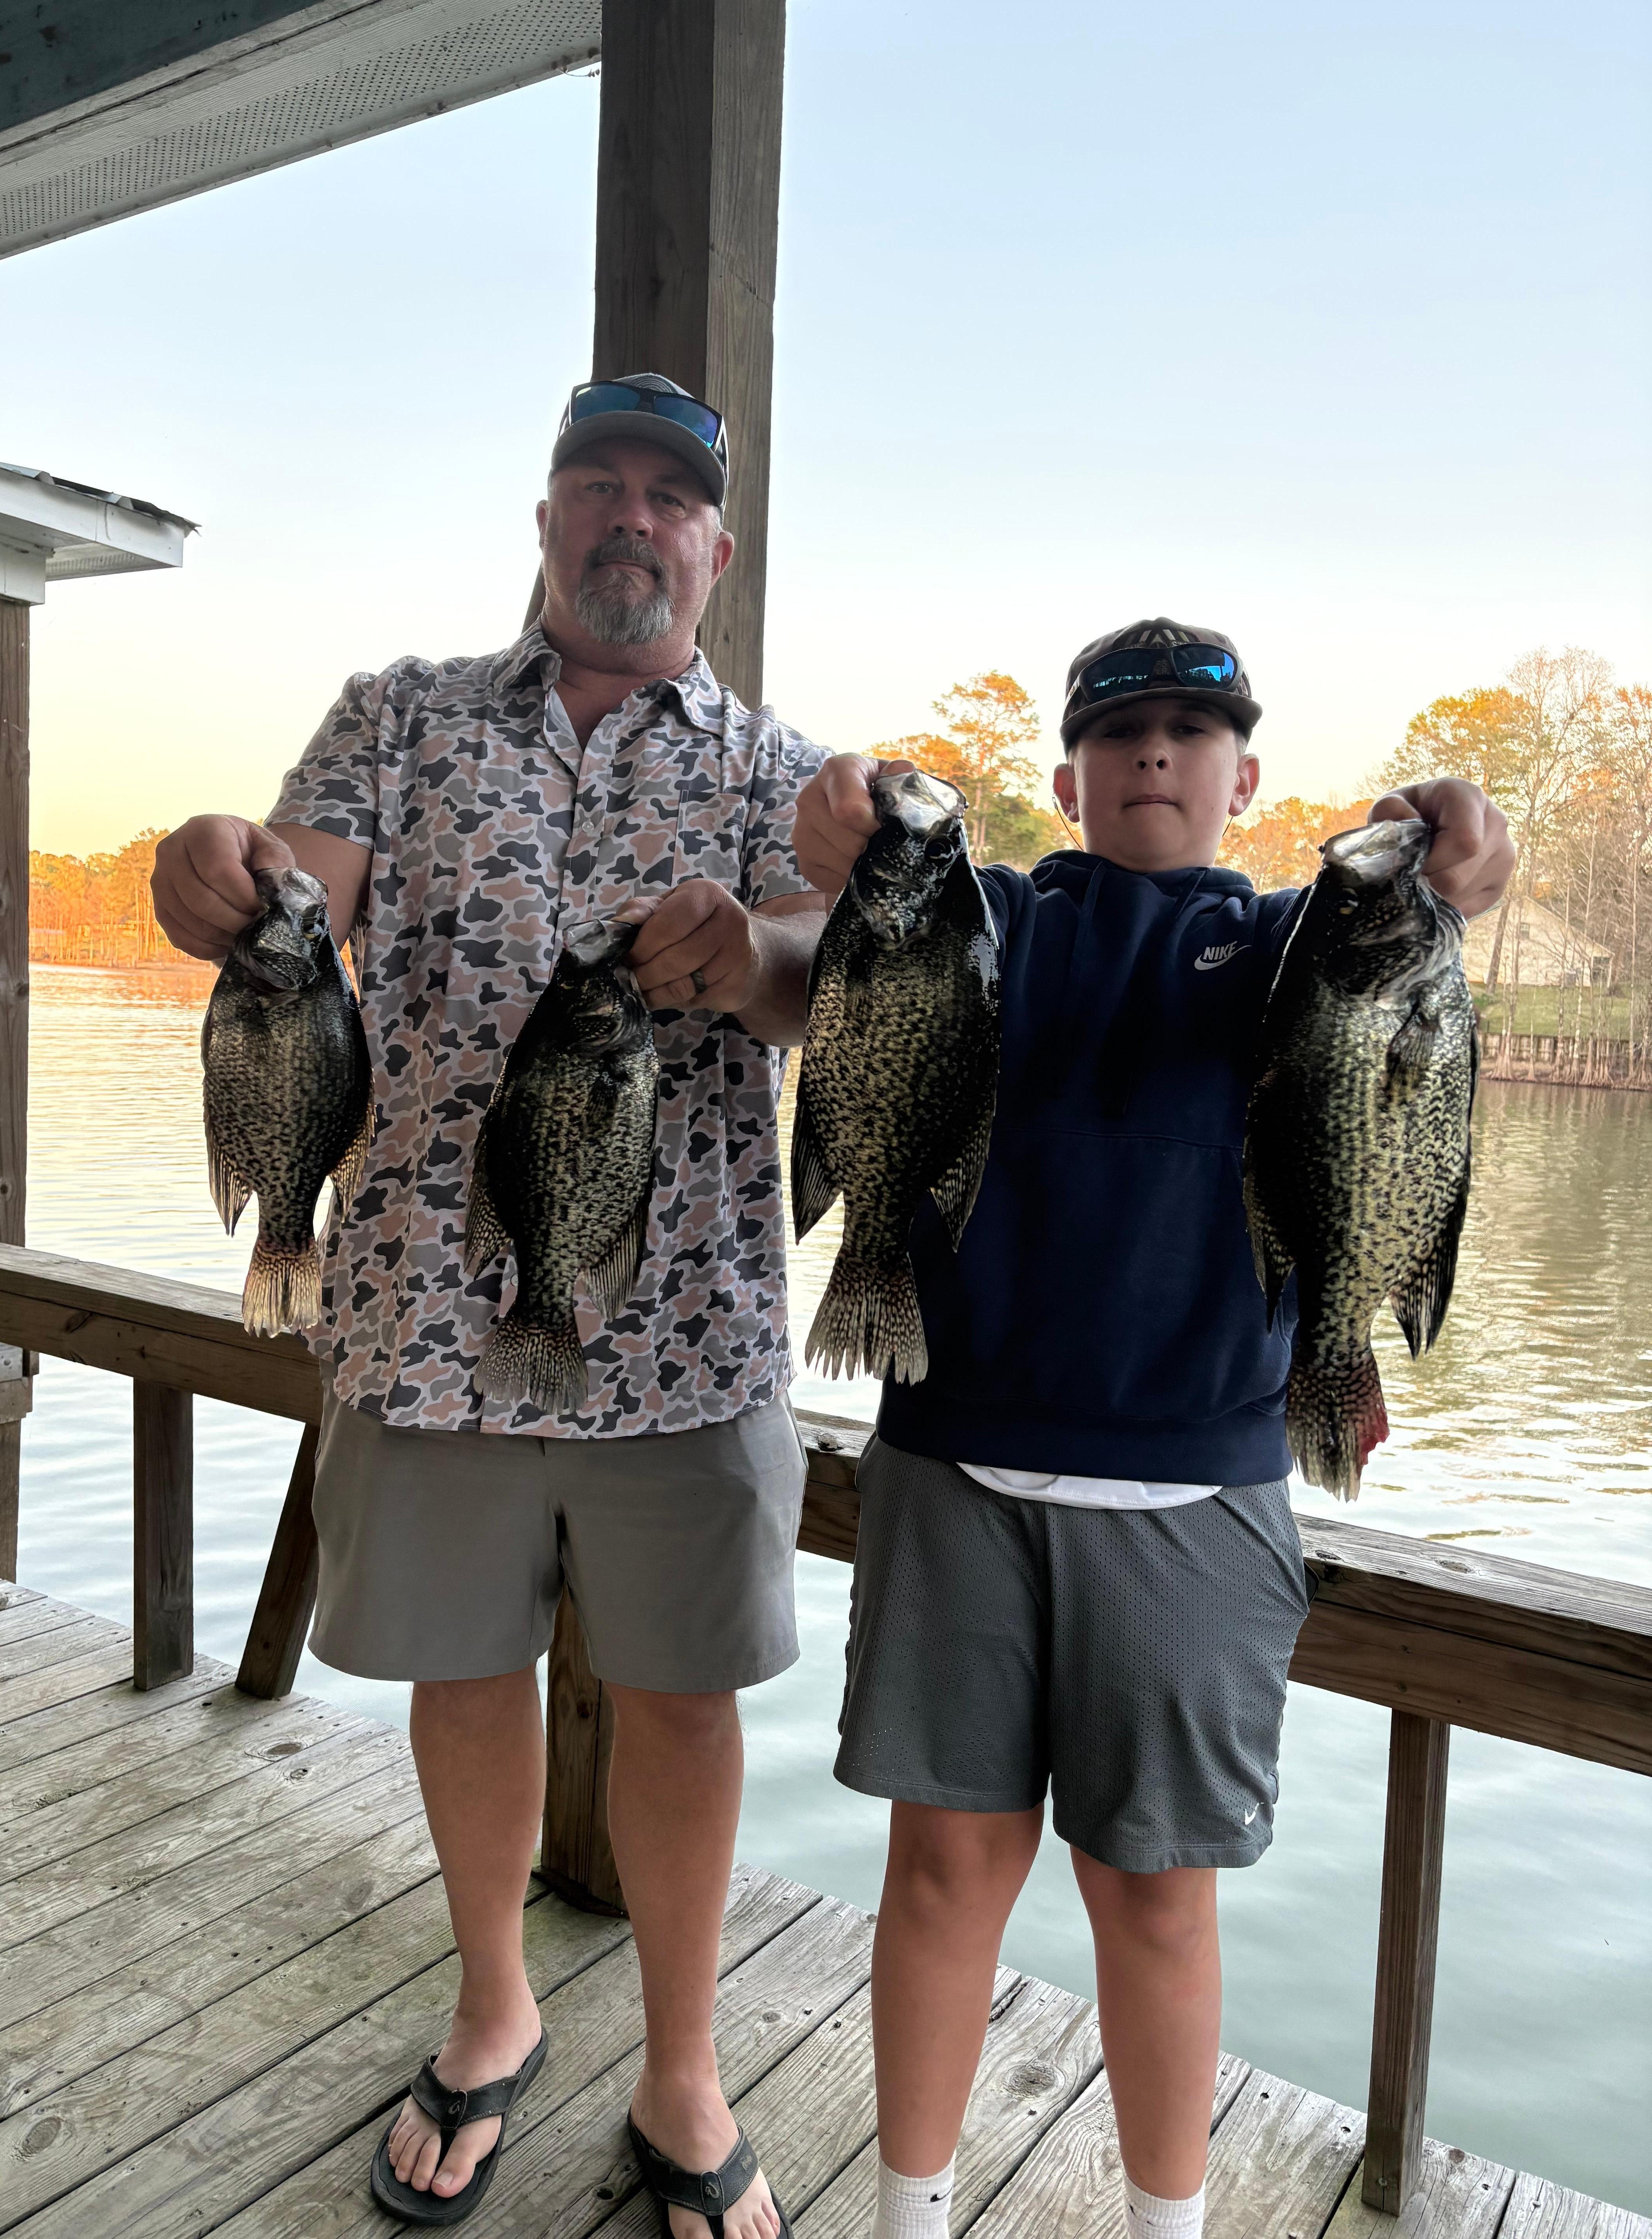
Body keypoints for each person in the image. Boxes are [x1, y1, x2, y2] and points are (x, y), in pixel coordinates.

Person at [152, 374, 827, 2238]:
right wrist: (208, 874)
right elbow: (291, 902)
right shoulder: (399, 715)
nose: (631, 517)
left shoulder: (778, 768)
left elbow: (821, 984)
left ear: (714, 545)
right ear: (545, 524)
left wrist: (760, 951)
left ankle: (685, 2073)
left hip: (687, 1323)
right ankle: (491, 2002)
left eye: (669, 497)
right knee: (470, 1677)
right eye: (595, 485)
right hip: (424, 1316)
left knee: (685, 1704)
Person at [790, 619, 1514, 2239]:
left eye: (1195, 732)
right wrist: (842, 828)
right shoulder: (993, 923)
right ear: (1067, 779)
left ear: (1246, 778)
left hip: (1196, 1486)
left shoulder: (1285, 946)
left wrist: (1467, 829)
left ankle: (1165, 2229)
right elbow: (851, 908)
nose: (1158, 756)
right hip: (953, 1463)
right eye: (1122, 734)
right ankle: (911, 2215)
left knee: (1157, 1905)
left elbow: (1439, 900)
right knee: (941, 1875)